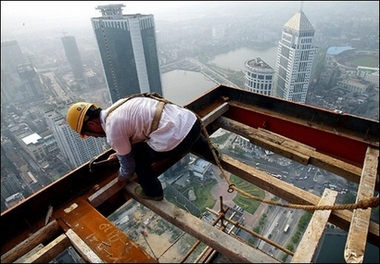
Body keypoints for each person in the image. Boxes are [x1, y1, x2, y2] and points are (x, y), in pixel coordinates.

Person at [66, 93, 219, 201]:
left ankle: (153, 192)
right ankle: (214, 156)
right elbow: (136, 130)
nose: (94, 136)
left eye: (90, 133)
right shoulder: (121, 103)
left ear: (92, 124)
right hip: (192, 122)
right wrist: (119, 154)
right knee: (184, 131)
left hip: (178, 140)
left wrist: (122, 177)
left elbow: (128, 164)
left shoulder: (112, 130)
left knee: (137, 158)